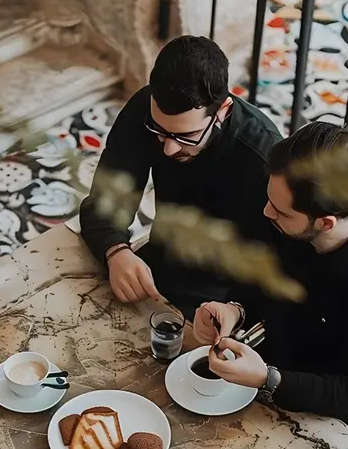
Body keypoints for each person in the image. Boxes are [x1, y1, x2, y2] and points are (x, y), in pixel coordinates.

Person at [193, 121, 348, 431]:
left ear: (325, 223)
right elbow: (254, 283)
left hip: (328, 411)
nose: (266, 212)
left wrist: (269, 379)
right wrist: (235, 310)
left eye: (281, 212)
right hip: (260, 372)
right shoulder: (280, 208)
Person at [79, 35, 282, 320]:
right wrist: (115, 251)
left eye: (186, 136)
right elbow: (103, 201)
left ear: (222, 110)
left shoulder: (264, 157)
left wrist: (236, 311)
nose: (169, 148)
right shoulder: (145, 110)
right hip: (163, 259)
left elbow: (279, 265)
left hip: (228, 294)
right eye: (160, 132)